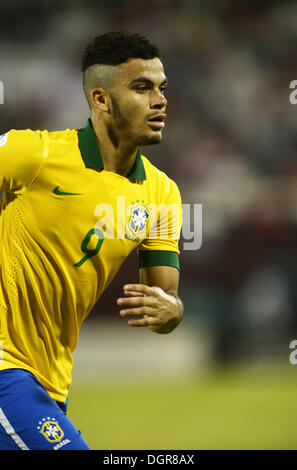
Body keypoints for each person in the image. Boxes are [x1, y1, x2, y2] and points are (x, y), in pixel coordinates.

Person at [0, 31, 184, 450]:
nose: (160, 100)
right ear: (101, 99)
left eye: (162, 88)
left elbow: (164, 296)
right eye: (142, 88)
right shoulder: (35, 155)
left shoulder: (161, 194)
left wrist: (170, 311)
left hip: (50, 380)